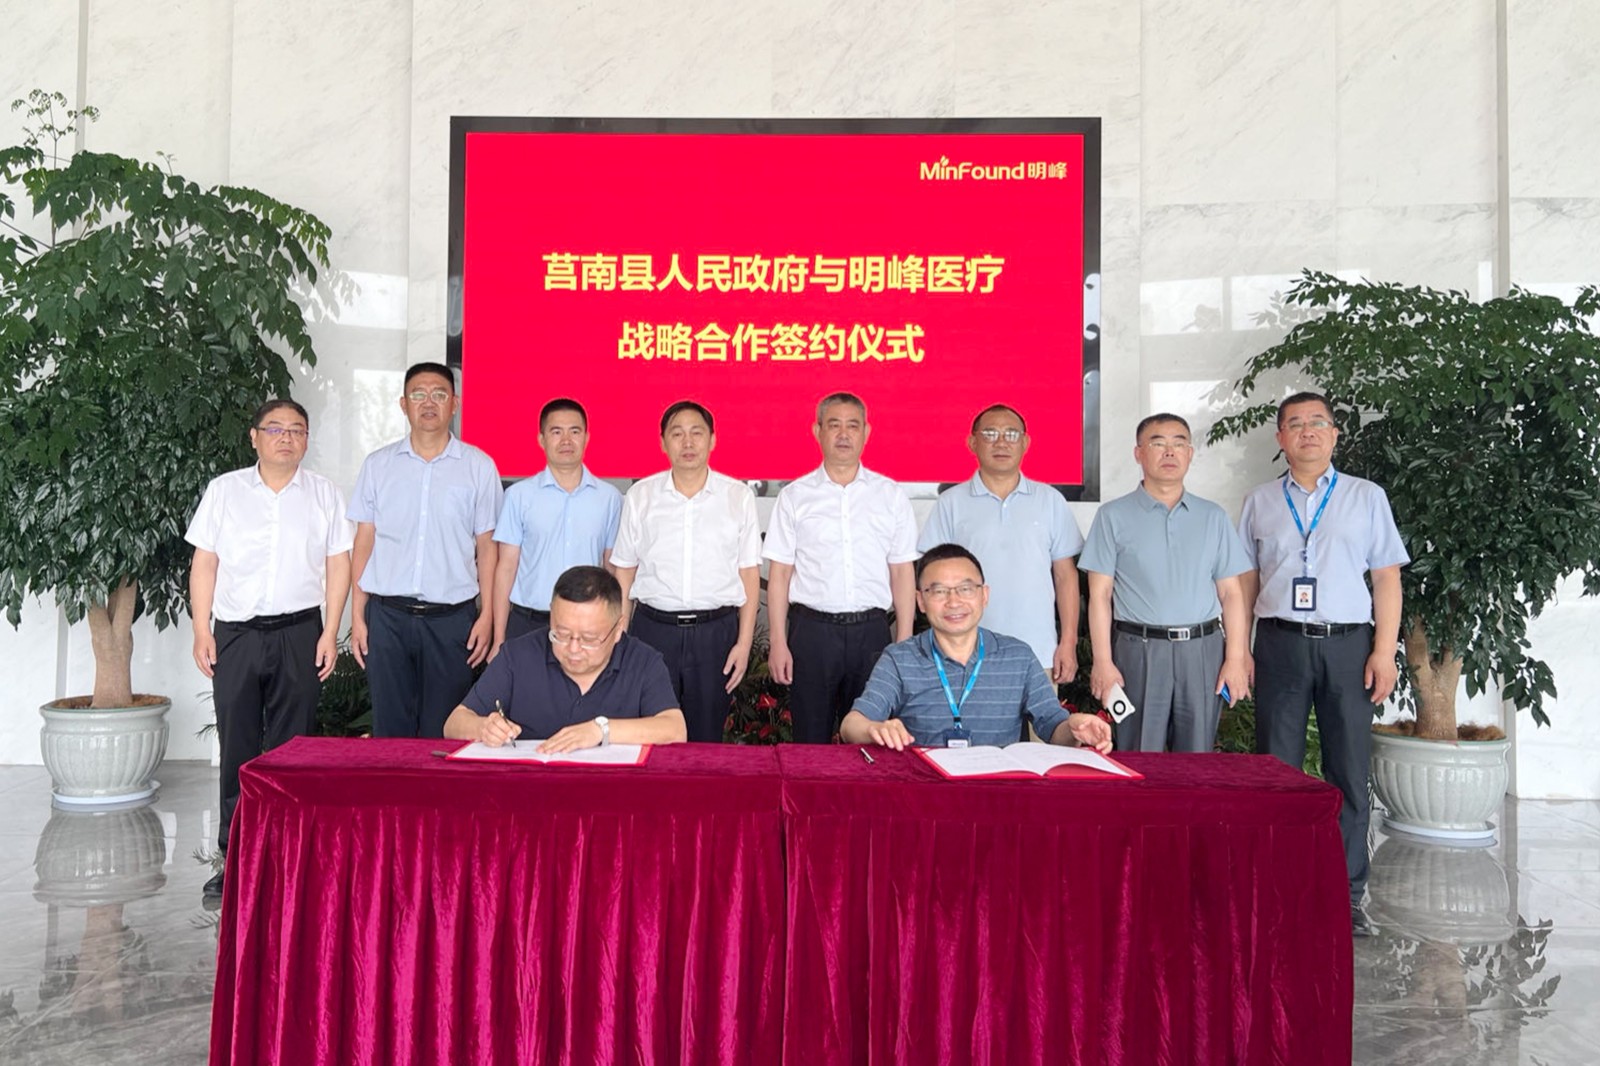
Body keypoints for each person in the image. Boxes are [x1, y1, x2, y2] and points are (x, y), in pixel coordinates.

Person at [1238, 391, 1408, 937]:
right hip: (1280, 644)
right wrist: (1240, 649)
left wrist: (1384, 650)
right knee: (1276, 772)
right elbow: (1245, 582)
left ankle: (1347, 893)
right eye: (1295, 423)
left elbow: (1386, 578)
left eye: (1318, 422)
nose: (1307, 431)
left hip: (1348, 645)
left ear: (1334, 434)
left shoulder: (1366, 497)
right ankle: (1277, 889)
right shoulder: (1260, 501)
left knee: (1349, 771)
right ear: (1280, 438)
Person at [187, 399, 353, 900]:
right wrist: (201, 629)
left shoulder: (324, 493)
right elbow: (205, 563)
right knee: (237, 748)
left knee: (292, 751)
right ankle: (235, 858)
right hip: (236, 635)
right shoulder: (225, 491)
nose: (286, 438)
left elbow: (339, 564)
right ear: (254, 436)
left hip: (299, 632)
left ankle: (286, 858)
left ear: (307, 440)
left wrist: (330, 631)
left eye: (296, 430)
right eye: (275, 429)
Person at [1079, 413, 1252, 753]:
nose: (1170, 452)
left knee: (1198, 754)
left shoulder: (1213, 517)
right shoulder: (1113, 516)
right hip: (1138, 651)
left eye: (1179, 444)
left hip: (1202, 651)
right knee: (1139, 753)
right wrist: (1102, 661)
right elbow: (1099, 595)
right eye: (1158, 443)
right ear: (1138, 453)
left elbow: (1232, 593)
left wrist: (1235, 658)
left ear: (1190, 453)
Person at [348, 362, 503, 737]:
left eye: (439, 394)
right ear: (403, 404)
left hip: (452, 620)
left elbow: (487, 548)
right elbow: (364, 541)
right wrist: (357, 614)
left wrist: (487, 615)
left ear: (455, 404)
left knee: (446, 729)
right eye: (418, 394)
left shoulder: (479, 467)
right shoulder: (378, 465)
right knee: (390, 731)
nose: (428, 402)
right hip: (388, 617)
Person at [841, 544, 1111, 751]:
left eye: (966, 589)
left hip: (998, 794)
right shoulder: (899, 659)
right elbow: (851, 725)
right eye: (939, 591)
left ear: (984, 596)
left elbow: (1054, 727)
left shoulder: (1018, 657)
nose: (953, 601)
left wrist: (1074, 728)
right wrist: (875, 729)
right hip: (924, 793)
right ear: (921, 602)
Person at [610, 401, 761, 743]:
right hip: (653, 631)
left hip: (715, 634)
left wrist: (744, 642)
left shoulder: (737, 496)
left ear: (713, 440)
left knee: (706, 739)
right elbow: (625, 571)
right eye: (677, 434)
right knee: (650, 734)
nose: (688, 442)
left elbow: (749, 574)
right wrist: (620, 636)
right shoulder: (641, 496)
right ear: (663, 443)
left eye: (697, 433)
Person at [918, 403, 1085, 680]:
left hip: (1037, 650)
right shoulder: (951, 503)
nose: (1001, 442)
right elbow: (931, 579)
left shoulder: (1050, 500)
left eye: (1011, 434)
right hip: (963, 652)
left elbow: (1065, 576)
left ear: (1025, 443)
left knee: (1040, 712)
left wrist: (1068, 642)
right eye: (990, 434)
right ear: (972, 443)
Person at [443, 566, 687, 750]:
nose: (573, 648)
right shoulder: (517, 655)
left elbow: (675, 728)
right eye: (560, 634)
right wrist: (484, 728)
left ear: (618, 629)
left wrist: (600, 729)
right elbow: (454, 723)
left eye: (589, 638)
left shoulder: (643, 662)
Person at [490, 398, 622, 658]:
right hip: (528, 623)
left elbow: (612, 569)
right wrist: (499, 638)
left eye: (575, 431)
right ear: (541, 439)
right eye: (556, 432)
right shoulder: (519, 496)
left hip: (588, 628)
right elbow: (506, 567)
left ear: (586, 438)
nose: (566, 440)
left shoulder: (610, 498)